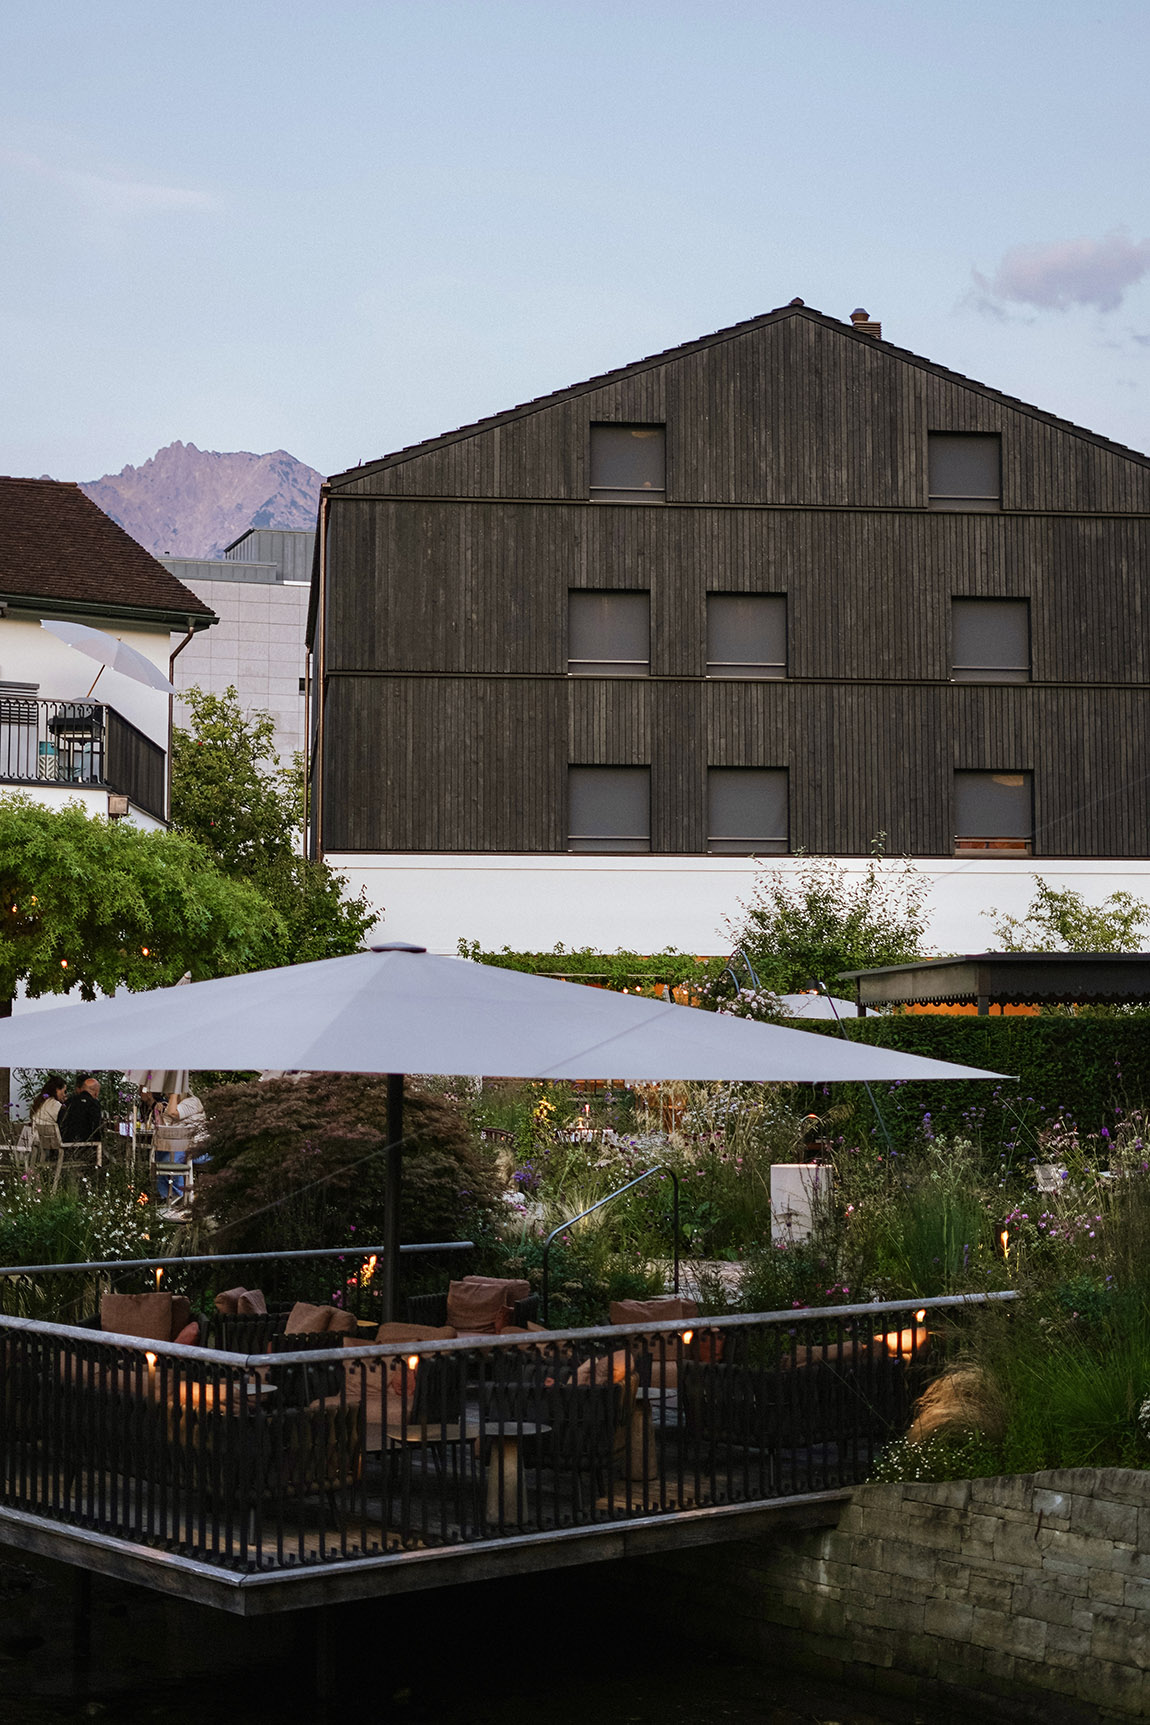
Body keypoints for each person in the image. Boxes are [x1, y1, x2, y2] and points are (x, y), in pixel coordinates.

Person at [156, 1091, 207, 1214]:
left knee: (170, 1159)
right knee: (160, 1155)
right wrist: (159, 1113)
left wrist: (174, 1092)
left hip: (198, 1150)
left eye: (169, 1091)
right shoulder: (171, 1106)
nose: (167, 1095)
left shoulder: (193, 1102)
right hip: (180, 1148)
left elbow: (174, 1113)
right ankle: (166, 1196)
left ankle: (180, 1198)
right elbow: (164, 1129)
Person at [57, 1074, 102, 1147]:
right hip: (84, 1144)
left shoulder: (68, 1101)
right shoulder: (93, 1103)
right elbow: (96, 1126)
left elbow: (60, 1119)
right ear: (96, 1093)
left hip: (64, 1142)